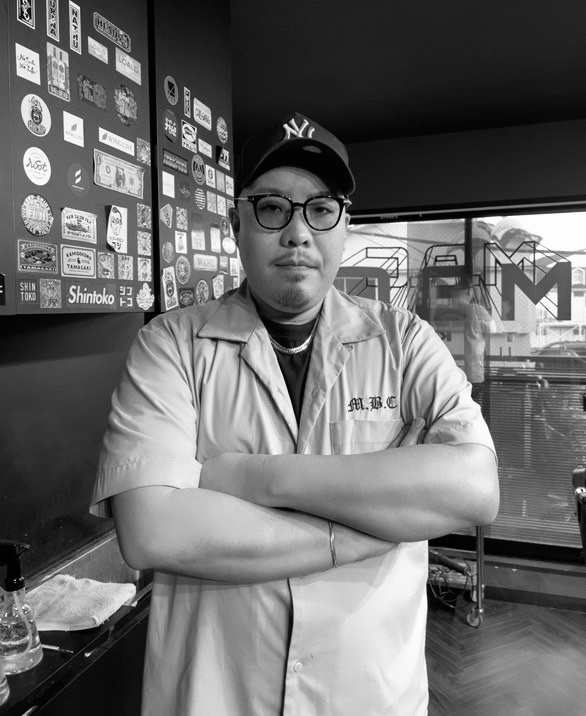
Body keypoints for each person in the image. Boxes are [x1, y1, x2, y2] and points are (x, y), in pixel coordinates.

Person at [90, 112, 499, 716]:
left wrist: (256, 477)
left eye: (321, 209)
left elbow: (475, 488)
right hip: (216, 697)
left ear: (345, 225)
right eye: (272, 208)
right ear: (236, 224)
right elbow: (151, 530)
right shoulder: (170, 345)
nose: (298, 233)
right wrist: (352, 534)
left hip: (369, 698)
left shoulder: (405, 341)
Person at [454, 284, 497, 407]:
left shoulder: (464, 310)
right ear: (469, 291)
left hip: (464, 372)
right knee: (475, 408)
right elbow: (493, 329)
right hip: (474, 373)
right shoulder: (476, 310)